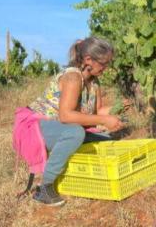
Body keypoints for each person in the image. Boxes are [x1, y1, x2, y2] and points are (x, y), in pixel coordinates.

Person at [27, 36, 124, 206]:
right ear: (88, 60)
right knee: (76, 133)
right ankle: (44, 187)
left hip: (61, 127)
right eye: (103, 64)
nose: (106, 68)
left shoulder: (94, 82)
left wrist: (117, 109)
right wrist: (103, 120)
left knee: (106, 141)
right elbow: (66, 116)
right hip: (38, 127)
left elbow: (96, 112)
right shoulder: (72, 78)